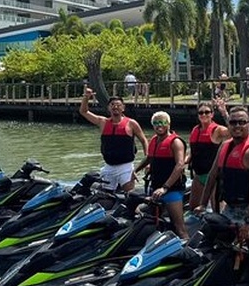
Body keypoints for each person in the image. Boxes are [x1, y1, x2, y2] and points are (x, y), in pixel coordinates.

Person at [199, 106, 249, 286]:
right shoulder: (225, 146)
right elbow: (213, 175)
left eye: (242, 122)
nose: (237, 126)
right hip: (232, 206)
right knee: (218, 244)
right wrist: (202, 203)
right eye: (233, 122)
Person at [80, 88, 148, 192]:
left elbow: (144, 140)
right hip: (109, 166)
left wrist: (147, 161)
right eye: (112, 105)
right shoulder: (102, 122)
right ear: (108, 108)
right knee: (105, 195)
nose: (115, 107)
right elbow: (84, 112)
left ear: (123, 108)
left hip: (126, 167)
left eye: (118, 105)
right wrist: (86, 97)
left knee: (128, 195)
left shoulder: (131, 123)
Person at [134, 111, 188, 239]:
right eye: (156, 123)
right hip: (156, 188)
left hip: (171, 190)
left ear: (168, 124)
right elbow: (149, 158)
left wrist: (165, 187)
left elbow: (180, 165)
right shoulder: (154, 140)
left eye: (162, 122)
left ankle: (188, 249)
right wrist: (135, 171)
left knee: (179, 227)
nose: (159, 125)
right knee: (142, 214)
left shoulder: (176, 142)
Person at [187, 99, 230, 211]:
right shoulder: (195, 130)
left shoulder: (217, 130)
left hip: (214, 177)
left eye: (207, 112)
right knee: (193, 208)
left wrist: (224, 113)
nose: (204, 115)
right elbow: (192, 153)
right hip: (199, 175)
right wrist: (181, 163)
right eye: (201, 112)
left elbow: (234, 131)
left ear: (212, 114)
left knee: (217, 210)